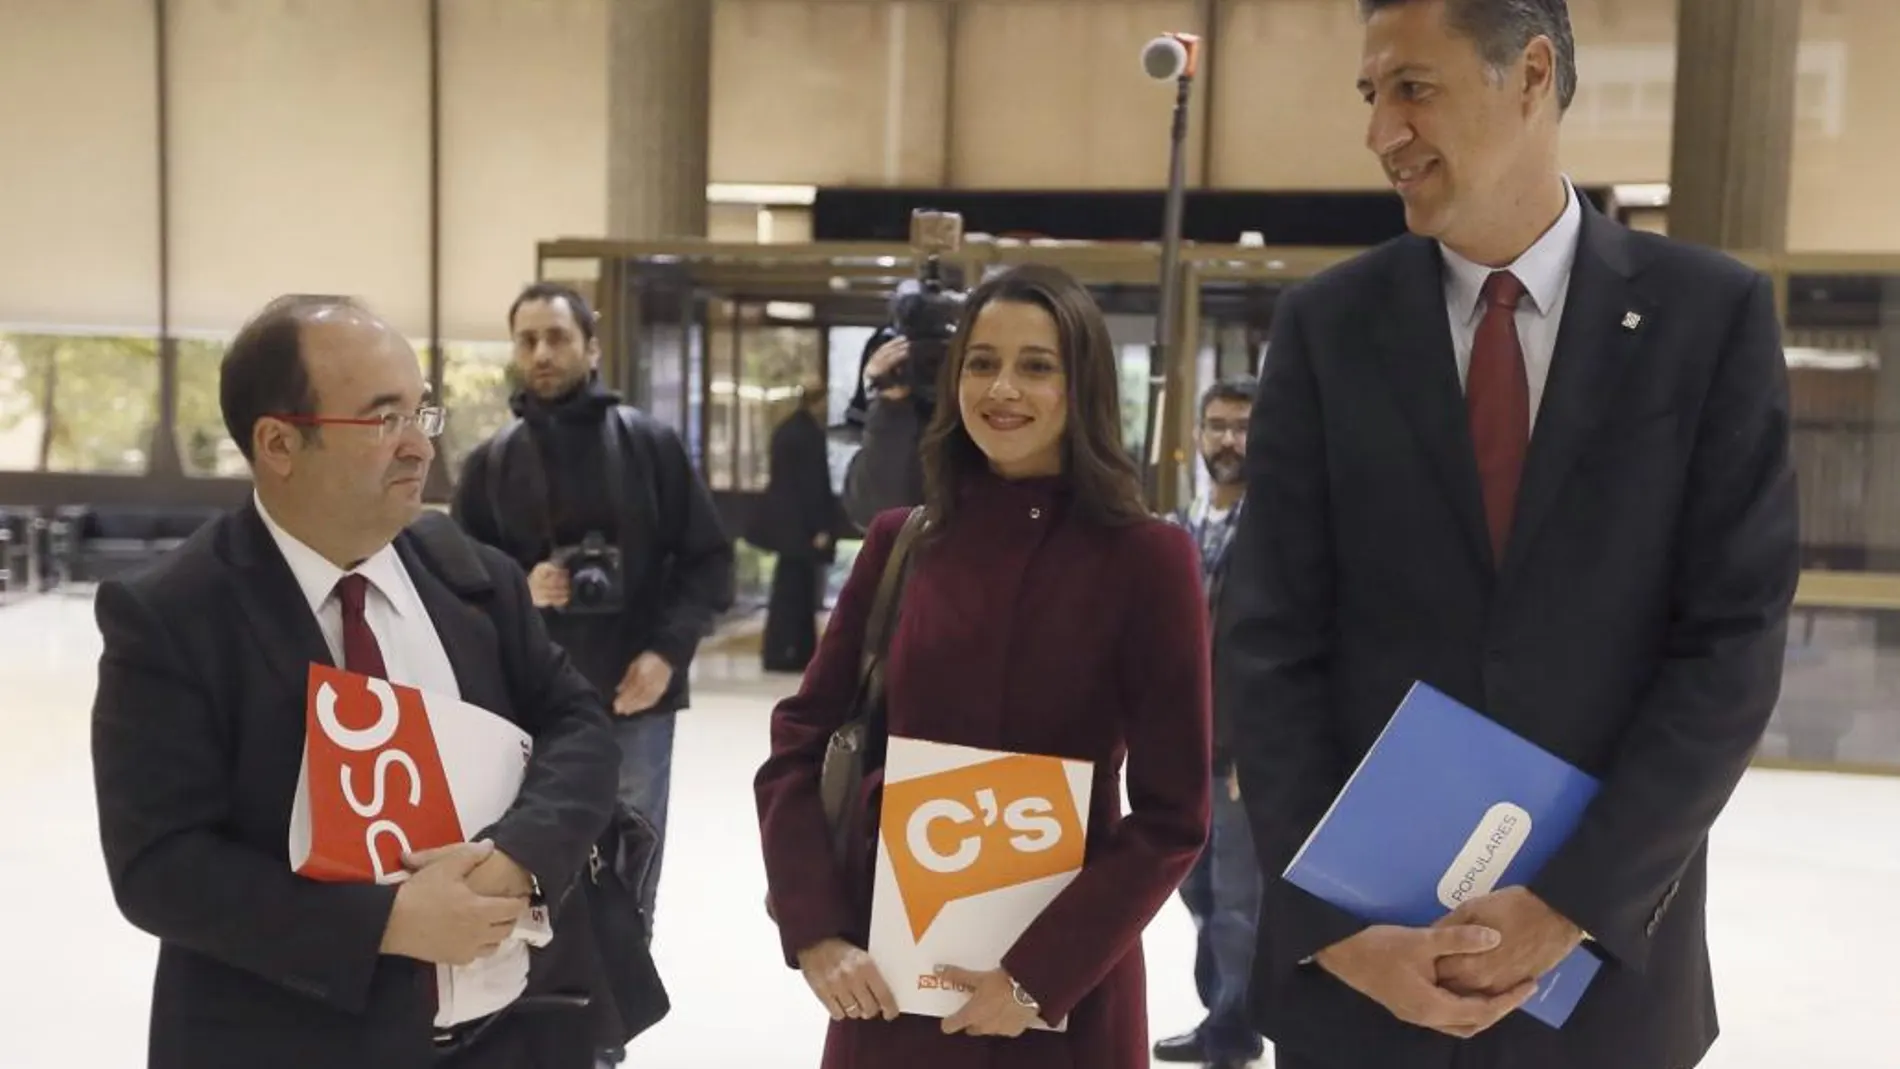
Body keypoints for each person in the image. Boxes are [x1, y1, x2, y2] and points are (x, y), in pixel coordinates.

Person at [1218, 2, 1800, 1068]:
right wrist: (1339, 929)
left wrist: (1571, 902)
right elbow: (1267, 642)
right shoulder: (1326, 329)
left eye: (1412, 87)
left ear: (1529, 74)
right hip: (1364, 990)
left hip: (1603, 988)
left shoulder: (1705, 319)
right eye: (1370, 95)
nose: (1381, 131)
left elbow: (1731, 642)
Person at [90, 295, 623, 1069]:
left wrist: (517, 853)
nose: (419, 448)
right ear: (278, 441)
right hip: (294, 1039)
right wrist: (386, 920)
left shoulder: (467, 572)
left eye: (421, 414)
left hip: (516, 1033)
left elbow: (578, 724)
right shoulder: (173, 615)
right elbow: (160, 867)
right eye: (383, 420)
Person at [755, 263, 1213, 1069]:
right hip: (892, 971)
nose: (1003, 388)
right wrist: (816, 927)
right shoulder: (903, 542)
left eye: (1037, 365)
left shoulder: (1148, 557)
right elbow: (801, 737)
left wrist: (1039, 978)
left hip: (1058, 990)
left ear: (1085, 386)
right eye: (981, 361)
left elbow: (1175, 812)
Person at [451, 282, 734, 943]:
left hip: (637, 688)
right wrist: (519, 585)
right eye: (528, 339)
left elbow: (709, 562)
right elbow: (453, 583)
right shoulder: (490, 463)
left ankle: (611, 1029)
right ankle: (541, 1020)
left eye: (558, 336)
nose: (543, 352)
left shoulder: (649, 445)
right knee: (526, 855)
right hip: (527, 701)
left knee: (630, 857)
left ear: (592, 347)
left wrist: (668, 652)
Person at [1154, 378, 1263, 1069]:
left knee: (1237, 901)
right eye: (1217, 426)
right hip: (1179, 743)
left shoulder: (1275, 528)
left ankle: (1233, 1030)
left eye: (1243, 427)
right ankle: (1220, 1008)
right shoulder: (1178, 526)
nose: (1228, 440)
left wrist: (1258, 747)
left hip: (1238, 749)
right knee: (1193, 889)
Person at [755, 377, 841, 673]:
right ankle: (794, 653)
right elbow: (812, 484)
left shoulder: (787, 430)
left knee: (788, 591)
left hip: (788, 526)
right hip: (803, 528)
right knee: (798, 593)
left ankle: (784, 651)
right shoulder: (808, 435)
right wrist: (820, 526)